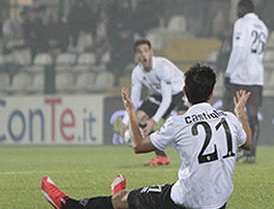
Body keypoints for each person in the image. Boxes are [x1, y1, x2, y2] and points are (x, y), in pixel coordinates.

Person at [41, 64, 252, 209]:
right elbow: (248, 143)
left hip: (186, 201)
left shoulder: (178, 123)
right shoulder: (229, 119)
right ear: (211, 93)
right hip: (218, 203)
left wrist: (131, 111)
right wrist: (240, 112)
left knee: (122, 199)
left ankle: (68, 204)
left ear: (185, 91)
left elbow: (138, 145)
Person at [119, 38, 188, 166]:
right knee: (139, 118)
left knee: (182, 120)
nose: (143, 54)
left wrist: (153, 121)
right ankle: (161, 157)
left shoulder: (162, 67)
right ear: (136, 56)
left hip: (181, 92)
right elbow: (133, 100)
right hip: (161, 94)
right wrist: (125, 122)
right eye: (139, 52)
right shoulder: (137, 73)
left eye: (145, 50)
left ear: (151, 52)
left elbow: (168, 99)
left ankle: (191, 155)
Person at [223, 0, 268, 164]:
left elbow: (240, 49)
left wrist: (229, 72)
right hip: (257, 76)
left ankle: (232, 150)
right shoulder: (263, 27)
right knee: (253, 115)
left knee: (229, 111)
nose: (236, 12)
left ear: (243, 8)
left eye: (238, 8)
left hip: (240, 75)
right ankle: (252, 153)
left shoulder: (241, 23)